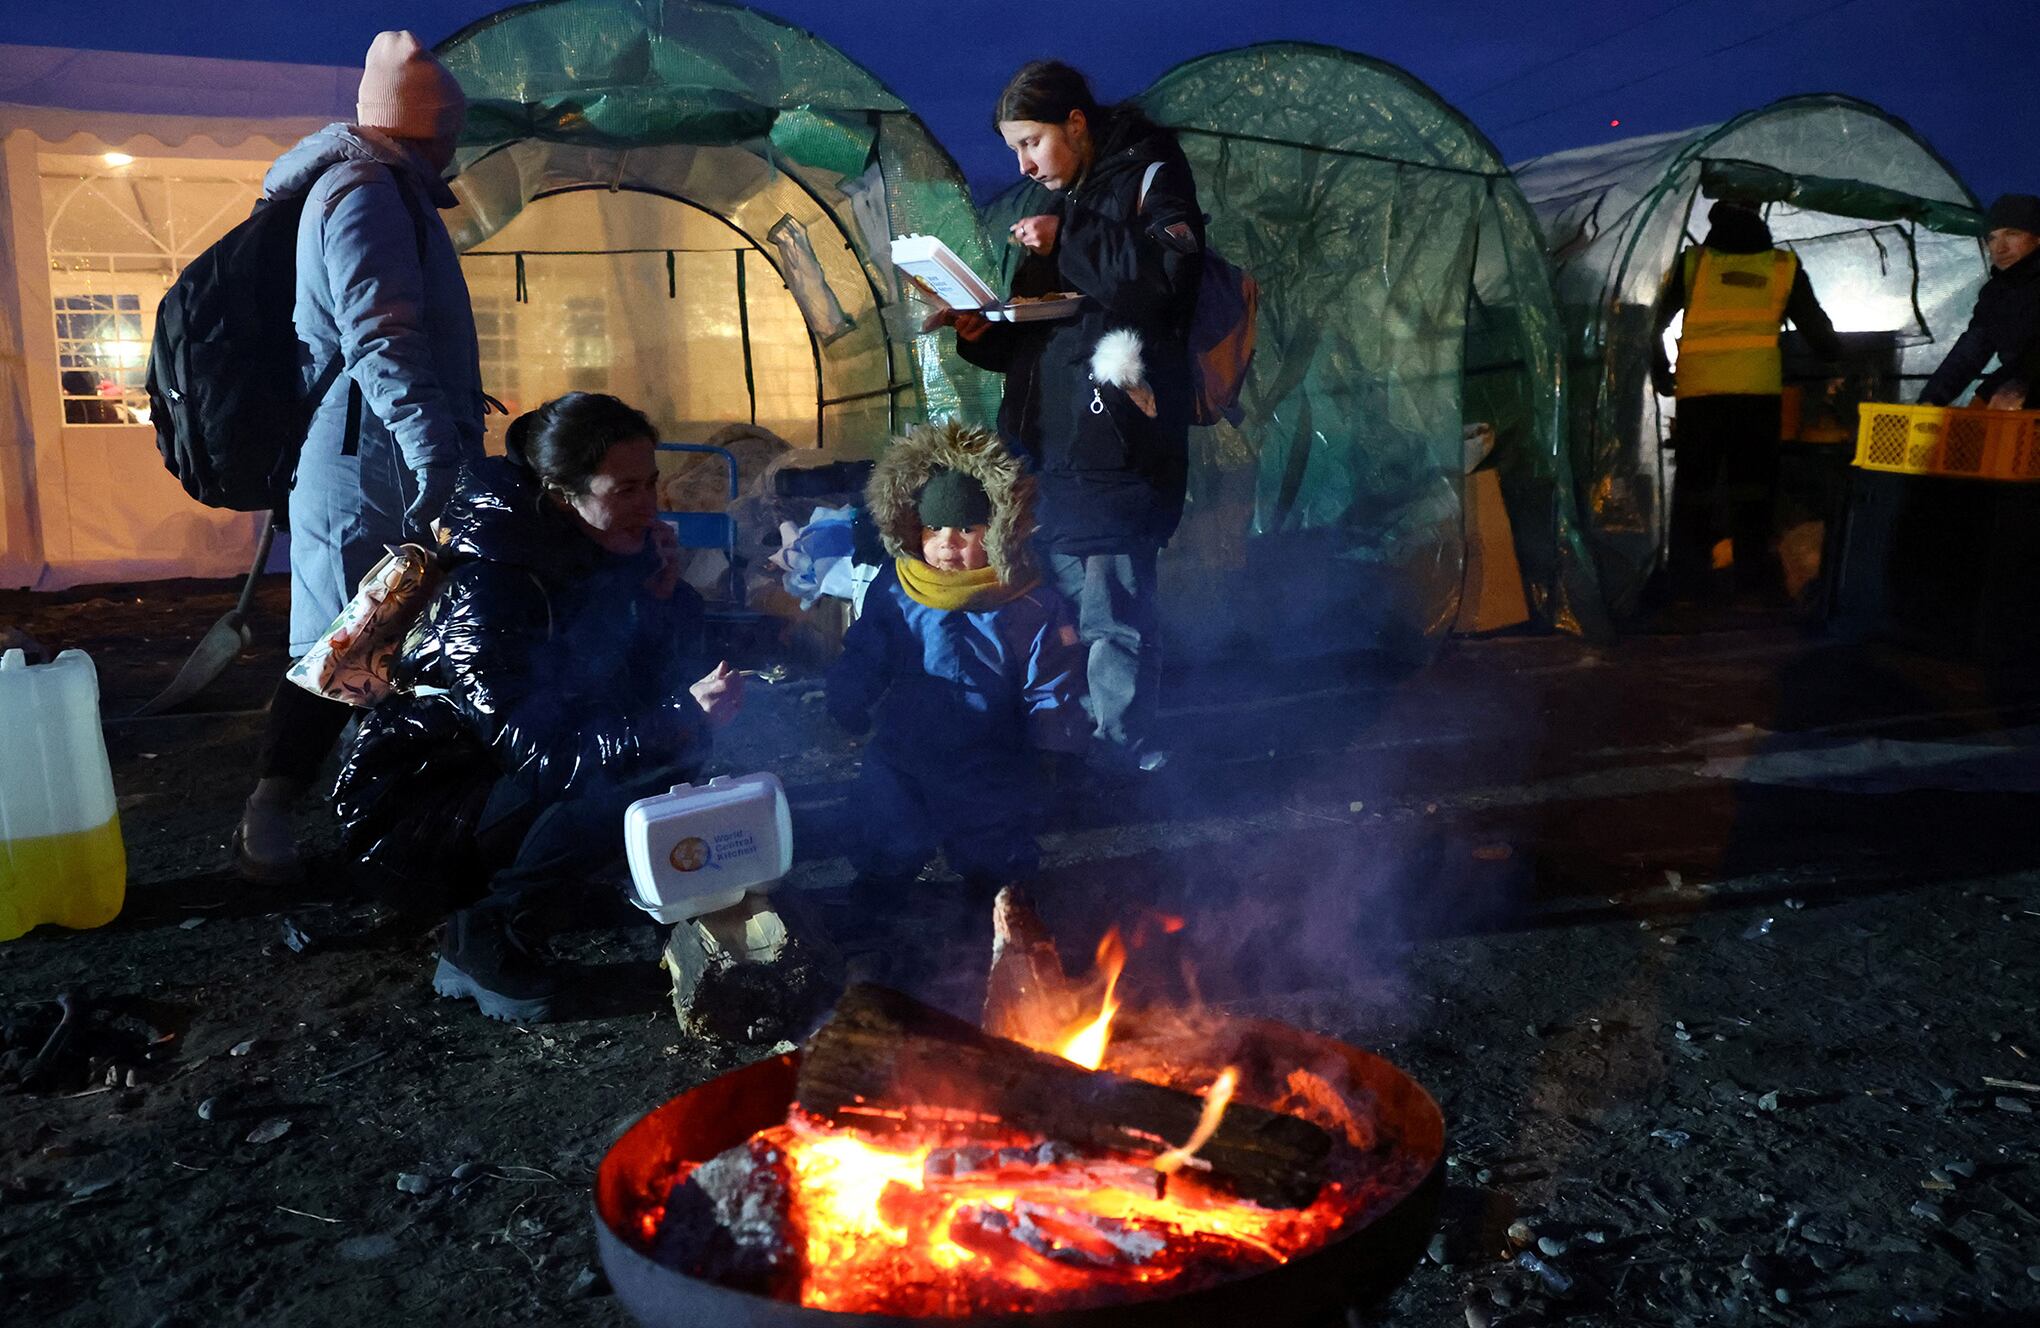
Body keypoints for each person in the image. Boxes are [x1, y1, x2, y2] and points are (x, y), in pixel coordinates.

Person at [331, 393, 744, 1022]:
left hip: (507, 777)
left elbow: (636, 675)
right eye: (625, 488)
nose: (650, 503)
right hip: (422, 809)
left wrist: (662, 595)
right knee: (629, 772)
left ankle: (564, 889)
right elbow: (538, 748)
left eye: (653, 482)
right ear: (560, 493)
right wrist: (680, 717)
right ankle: (480, 936)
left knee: (670, 755)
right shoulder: (492, 583)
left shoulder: (590, 551)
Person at [233, 31, 487, 882]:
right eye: (450, 126)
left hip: (374, 454)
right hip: (368, 460)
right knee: (346, 640)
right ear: (426, 125)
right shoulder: (365, 193)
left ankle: (373, 813)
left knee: (379, 639)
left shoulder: (387, 190)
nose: (457, 142)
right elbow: (381, 343)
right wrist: (436, 459)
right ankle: (277, 814)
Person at [924, 60, 1202, 778]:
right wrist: (984, 331)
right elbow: (1045, 335)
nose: (1022, 163)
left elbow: (1168, 283)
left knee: (1112, 606)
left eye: (1031, 143)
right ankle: (1063, 737)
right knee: (1054, 599)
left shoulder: (1149, 170)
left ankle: (1123, 753)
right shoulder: (1057, 202)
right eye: (1013, 150)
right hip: (1049, 439)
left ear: (1075, 124)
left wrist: (1066, 237)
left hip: (1118, 435)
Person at [825, 420, 1086, 890]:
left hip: (989, 754)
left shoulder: (1026, 600)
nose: (947, 542)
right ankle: (879, 902)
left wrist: (1055, 745)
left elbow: (1051, 679)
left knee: (994, 849)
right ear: (911, 526)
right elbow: (867, 649)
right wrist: (849, 695)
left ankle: (995, 912)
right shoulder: (900, 588)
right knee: (888, 829)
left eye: (967, 528)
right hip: (906, 745)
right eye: (933, 527)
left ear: (1001, 531)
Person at [1651, 201, 1842, 600]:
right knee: (1753, 489)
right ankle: (1751, 582)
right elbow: (1818, 333)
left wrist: (1661, 373)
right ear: (1760, 220)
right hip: (1757, 396)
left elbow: (1653, 324)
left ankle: (1687, 584)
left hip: (1699, 397)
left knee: (1694, 489)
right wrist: (1837, 362)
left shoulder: (1694, 264)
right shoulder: (1782, 266)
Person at [1919, 194, 2040, 410]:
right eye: (1992, 238)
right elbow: (1971, 350)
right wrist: (1931, 400)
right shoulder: (1995, 293)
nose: (2000, 248)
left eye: (2012, 234)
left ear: (2038, 238)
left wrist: (1998, 389)